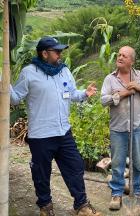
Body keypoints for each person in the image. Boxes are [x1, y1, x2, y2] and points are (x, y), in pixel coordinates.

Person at [10, 36, 102, 216]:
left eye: (61, 51)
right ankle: (46, 207)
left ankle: (81, 206)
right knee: (41, 173)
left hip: (63, 131)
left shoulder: (64, 71)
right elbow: (15, 98)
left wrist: (85, 93)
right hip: (41, 134)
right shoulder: (29, 73)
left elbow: (72, 93)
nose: (60, 54)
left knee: (75, 166)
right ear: (44, 53)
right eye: (57, 51)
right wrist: (2, 81)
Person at [101, 46, 140, 210]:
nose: (120, 57)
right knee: (117, 162)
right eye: (119, 55)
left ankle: (137, 192)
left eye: (124, 56)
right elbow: (104, 100)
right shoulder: (110, 79)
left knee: (138, 162)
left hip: (137, 127)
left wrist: (139, 88)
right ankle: (117, 193)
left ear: (131, 61)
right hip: (118, 128)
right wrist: (123, 94)